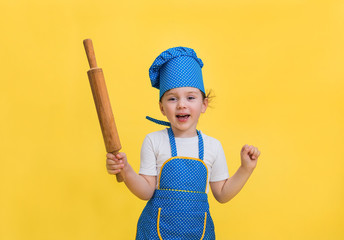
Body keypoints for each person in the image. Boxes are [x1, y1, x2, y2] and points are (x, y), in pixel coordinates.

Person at [106, 46, 261, 239]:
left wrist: (246, 168)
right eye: (172, 98)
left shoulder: (213, 146)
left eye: (190, 97)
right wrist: (125, 169)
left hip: (199, 233)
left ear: (203, 104)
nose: (181, 104)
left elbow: (222, 194)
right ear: (162, 108)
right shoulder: (154, 141)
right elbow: (146, 191)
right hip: (155, 233)